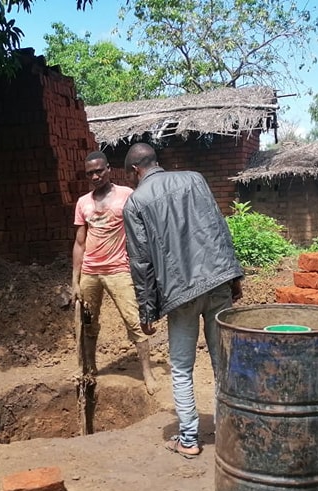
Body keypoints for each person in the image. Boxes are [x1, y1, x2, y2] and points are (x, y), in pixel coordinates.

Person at [121, 142, 243, 458]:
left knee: (181, 368)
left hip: (181, 295)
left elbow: (141, 262)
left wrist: (147, 311)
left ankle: (188, 438)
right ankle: (228, 434)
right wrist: (235, 276)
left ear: (135, 171)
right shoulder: (195, 179)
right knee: (223, 364)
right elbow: (219, 227)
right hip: (217, 283)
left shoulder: (136, 203)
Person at [72, 150, 157, 394]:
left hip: (119, 270)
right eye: (90, 173)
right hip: (90, 271)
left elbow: (140, 228)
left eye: (99, 171)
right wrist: (74, 281)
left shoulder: (126, 195)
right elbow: (79, 243)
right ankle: (90, 368)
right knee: (89, 323)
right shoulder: (83, 203)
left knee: (134, 322)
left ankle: (148, 374)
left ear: (109, 169)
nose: (96, 176)